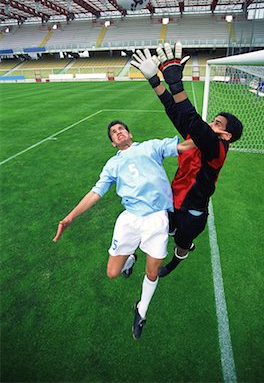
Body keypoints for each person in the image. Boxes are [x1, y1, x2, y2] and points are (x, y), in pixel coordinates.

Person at [53, 119, 194, 339]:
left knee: (152, 271)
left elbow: (184, 146)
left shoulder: (151, 146)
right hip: (129, 220)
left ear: (129, 133)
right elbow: (95, 192)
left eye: (121, 129)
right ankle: (130, 259)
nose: (118, 133)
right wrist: (70, 217)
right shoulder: (112, 164)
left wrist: (209, 133)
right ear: (112, 143)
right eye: (113, 133)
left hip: (157, 219)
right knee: (112, 273)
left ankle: (141, 310)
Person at [131, 43, 243, 277]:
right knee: (165, 229)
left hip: (193, 211)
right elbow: (175, 111)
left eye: (217, 123)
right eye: (213, 121)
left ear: (227, 135)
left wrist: (176, 84)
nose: (212, 124)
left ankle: (175, 261)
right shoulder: (200, 138)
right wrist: (154, 81)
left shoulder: (217, 147)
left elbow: (192, 119)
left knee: (181, 242)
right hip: (172, 199)